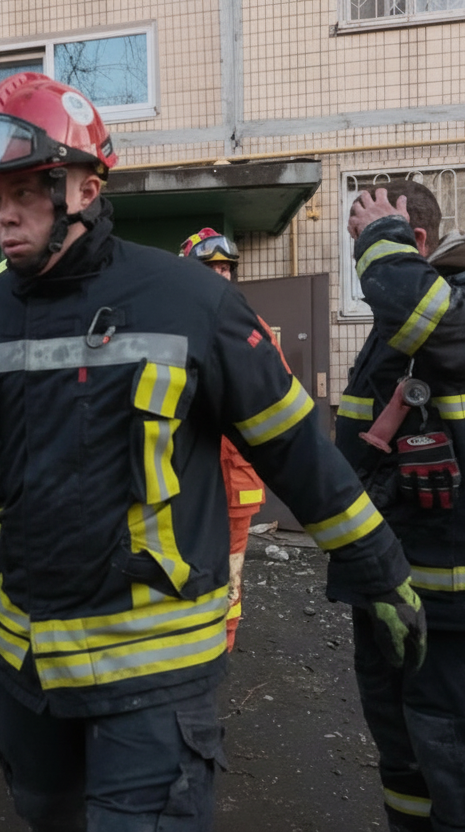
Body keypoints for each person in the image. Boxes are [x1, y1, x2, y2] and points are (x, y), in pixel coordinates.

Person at [0, 71, 427, 832]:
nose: (5, 217)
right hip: (29, 677)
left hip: (154, 682)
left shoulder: (193, 302)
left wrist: (380, 572)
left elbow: (296, 452)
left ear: (84, 187)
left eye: (24, 192)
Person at [340, 180, 465, 832]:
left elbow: (436, 323)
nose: (365, 272)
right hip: (397, 592)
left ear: (413, 241)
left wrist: (381, 242)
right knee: (409, 769)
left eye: (370, 247)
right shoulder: (399, 329)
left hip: (462, 601)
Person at [179, 228, 285, 651]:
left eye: (226, 268)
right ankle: (183, 640)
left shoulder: (252, 327)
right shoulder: (171, 324)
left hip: (235, 472)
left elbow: (278, 394)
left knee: (231, 566)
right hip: (183, 471)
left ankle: (221, 644)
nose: (221, 276)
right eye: (211, 268)